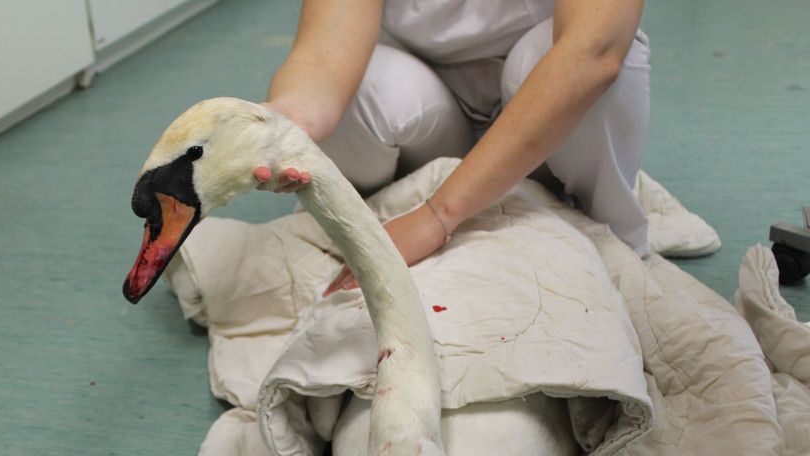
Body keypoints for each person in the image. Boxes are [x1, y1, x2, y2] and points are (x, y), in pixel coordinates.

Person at [253, 0, 650, 294]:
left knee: (606, 57)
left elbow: (593, 53)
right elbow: (323, 54)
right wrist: (286, 121)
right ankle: (381, 221)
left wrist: (437, 217)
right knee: (362, 90)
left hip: (554, 128)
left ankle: (603, 237)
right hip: (438, 116)